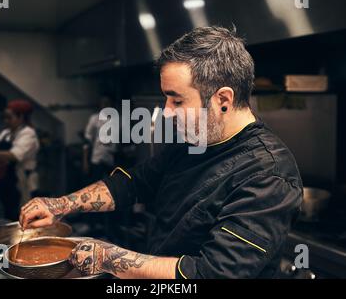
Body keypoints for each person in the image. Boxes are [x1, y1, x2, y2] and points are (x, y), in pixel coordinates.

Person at [19, 27, 303, 279]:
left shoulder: (268, 173)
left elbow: (213, 273)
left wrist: (109, 259)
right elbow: (133, 182)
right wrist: (61, 205)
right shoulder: (193, 141)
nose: (167, 112)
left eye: (177, 100)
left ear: (223, 100)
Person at [83, 96, 117, 183]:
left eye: (108, 103)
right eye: (103, 103)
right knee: (96, 185)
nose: (105, 106)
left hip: (111, 159)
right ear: (100, 105)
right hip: (97, 159)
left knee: (111, 185)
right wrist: (85, 161)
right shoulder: (94, 119)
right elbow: (87, 141)